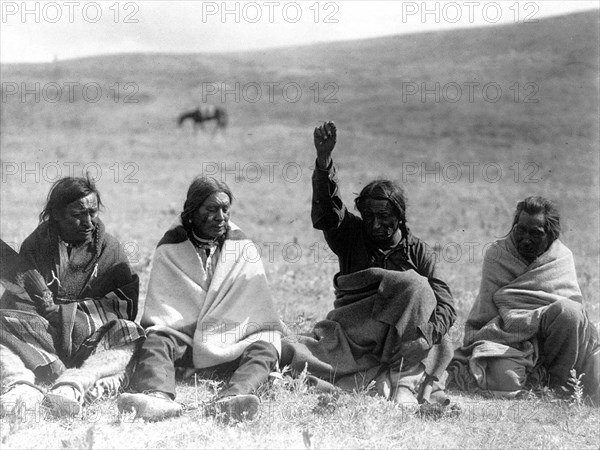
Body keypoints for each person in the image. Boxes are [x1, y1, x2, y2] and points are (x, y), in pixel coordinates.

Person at [280, 121, 457, 405]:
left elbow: (446, 304)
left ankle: (402, 382)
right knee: (294, 352)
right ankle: (392, 380)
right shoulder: (351, 235)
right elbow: (328, 212)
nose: (376, 224)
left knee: (425, 303)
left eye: (385, 217)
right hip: (356, 337)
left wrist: (425, 339)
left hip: (404, 343)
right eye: (369, 217)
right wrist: (324, 161)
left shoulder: (418, 251)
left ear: (400, 216)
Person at [117, 177, 283, 422]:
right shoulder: (170, 249)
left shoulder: (243, 248)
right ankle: (158, 397)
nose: (220, 217)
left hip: (232, 338)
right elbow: (165, 313)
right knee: (156, 338)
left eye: (225, 209)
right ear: (193, 211)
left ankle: (232, 399)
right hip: (186, 342)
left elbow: (254, 306)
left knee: (266, 346)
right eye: (211, 209)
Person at [0, 176, 144, 417]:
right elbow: (19, 300)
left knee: (130, 333)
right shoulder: (36, 245)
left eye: (93, 212)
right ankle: (21, 386)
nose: (88, 221)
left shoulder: (111, 250)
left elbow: (123, 304)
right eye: (77, 215)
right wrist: (43, 308)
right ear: (56, 214)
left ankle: (75, 385)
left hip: (90, 338)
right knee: (4, 324)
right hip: (44, 335)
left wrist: (67, 314)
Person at [457, 196, 599, 403]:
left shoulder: (562, 257)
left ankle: (560, 385)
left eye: (535, 233)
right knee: (505, 381)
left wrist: (543, 319)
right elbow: (486, 313)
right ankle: (536, 376)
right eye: (520, 230)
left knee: (570, 311)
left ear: (551, 235)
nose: (525, 238)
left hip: (558, 343)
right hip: (510, 338)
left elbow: (575, 317)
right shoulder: (497, 254)